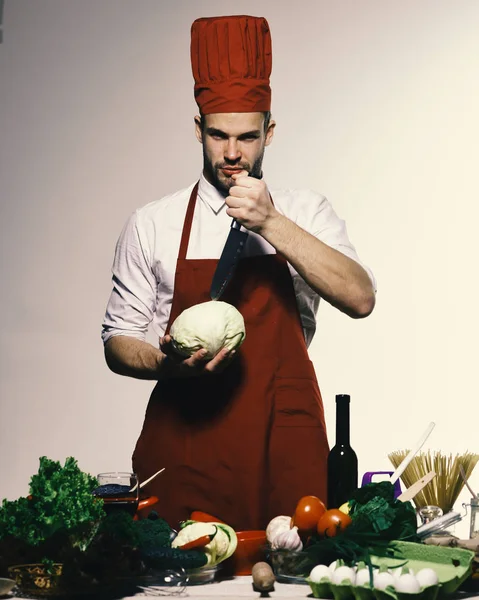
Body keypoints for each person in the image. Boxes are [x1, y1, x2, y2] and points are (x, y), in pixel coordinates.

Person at [102, 15, 376, 530]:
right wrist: (170, 366)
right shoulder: (153, 222)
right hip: (185, 444)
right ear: (198, 129)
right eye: (218, 135)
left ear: (270, 130)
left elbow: (360, 297)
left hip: (282, 439)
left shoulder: (305, 211)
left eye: (248, 136)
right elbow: (117, 340)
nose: (232, 153)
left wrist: (271, 221)